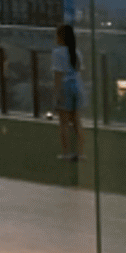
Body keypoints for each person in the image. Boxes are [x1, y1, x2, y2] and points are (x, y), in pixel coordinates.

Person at [52, 23, 84, 161]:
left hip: (65, 88)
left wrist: (56, 95)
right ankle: (80, 153)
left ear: (61, 37)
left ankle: (66, 153)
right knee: (77, 122)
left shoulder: (57, 53)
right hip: (77, 87)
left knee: (64, 123)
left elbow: (58, 76)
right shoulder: (77, 52)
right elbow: (79, 71)